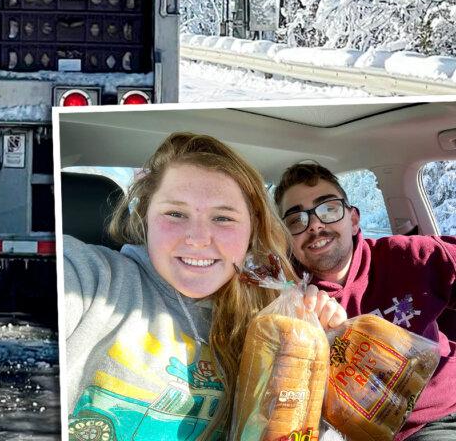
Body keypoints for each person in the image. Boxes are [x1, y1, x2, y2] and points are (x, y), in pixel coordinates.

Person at [63, 133, 345, 441]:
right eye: (175, 213)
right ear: (145, 217)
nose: (197, 238)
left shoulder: (266, 324)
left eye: (223, 218)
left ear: (251, 232)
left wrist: (323, 353)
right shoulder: (92, 281)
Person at [274, 161, 456, 441]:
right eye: (296, 220)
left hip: (434, 420)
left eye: (329, 209)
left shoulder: (405, 257)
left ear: (354, 219)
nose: (315, 225)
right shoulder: (288, 301)